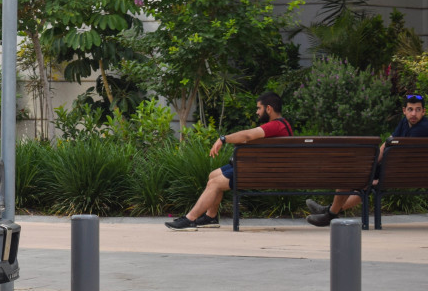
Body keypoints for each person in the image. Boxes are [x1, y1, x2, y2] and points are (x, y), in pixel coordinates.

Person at [165, 92, 293, 231]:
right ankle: (210, 217)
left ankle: (189, 219)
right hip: (263, 169)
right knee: (213, 175)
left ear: (268, 109)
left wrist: (223, 139)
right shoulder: (281, 125)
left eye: (259, 108)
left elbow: (248, 135)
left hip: (261, 173)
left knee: (215, 183)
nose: (257, 112)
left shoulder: (275, 126)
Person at [304, 93, 428, 226]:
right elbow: (387, 144)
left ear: (423, 111)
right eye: (410, 109)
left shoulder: (421, 128)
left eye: (418, 109)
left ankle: (329, 213)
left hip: (399, 173)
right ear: (404, 111)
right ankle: (329, 212)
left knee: (350, 178)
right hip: (394, 170)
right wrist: (373, 165)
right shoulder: (405, 122)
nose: (414, 113)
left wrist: (381, 178)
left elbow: (403, 159)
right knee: (359, 182)